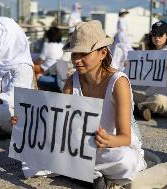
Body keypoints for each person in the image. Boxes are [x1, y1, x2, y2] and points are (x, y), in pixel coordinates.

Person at [62, 20, 146, 188]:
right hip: (82, 146)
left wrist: (108, 141)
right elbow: (61, 124)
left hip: (112, 147)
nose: (77, 60)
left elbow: (125, 138)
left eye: (83, 53)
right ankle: (91, 175)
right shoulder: (72, 81)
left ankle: (78, 172)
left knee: (126, 161)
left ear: (102, 53)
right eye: (74, 54)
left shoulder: (118, 82)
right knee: (35, 156)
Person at [133, 21, 167, 121]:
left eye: (161, 35)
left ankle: (136, 108)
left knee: (159, 100)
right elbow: (143, 80)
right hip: (148, 98)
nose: (157, 38)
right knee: (125, 92)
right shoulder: (149, 54)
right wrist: (132, 67)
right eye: (154, 34)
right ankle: (143, 109)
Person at [33, 26, 63, 91]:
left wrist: (32, 62)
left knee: (30, 67)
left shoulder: (47, 45)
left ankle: (34, 88)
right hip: (57, 70)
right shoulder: (62, 45)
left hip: (46, 69)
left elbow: (40, 61)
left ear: (48, 35)